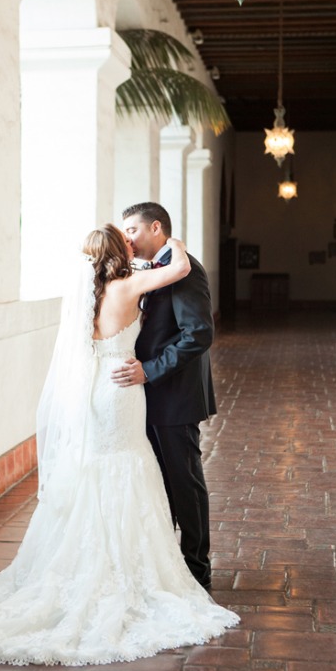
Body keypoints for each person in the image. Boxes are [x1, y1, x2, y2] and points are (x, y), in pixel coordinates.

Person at [0, 224, 238, 666]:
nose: (131, 239)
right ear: (116, 253)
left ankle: (89, 565)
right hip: (122, 390)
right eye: (124, 237)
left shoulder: (94, 293)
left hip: (95, 390)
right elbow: (178, 266)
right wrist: (174, 242)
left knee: (99, 469)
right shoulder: (129, 285)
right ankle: (130, 571)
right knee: (129, 466)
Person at [113, 203, 215, 591]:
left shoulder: (184, 267)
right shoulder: (158, 265)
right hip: (152, 397)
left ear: (156, 227)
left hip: (175, 396)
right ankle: (169, 565)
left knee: (185, 483)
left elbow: (198, 334)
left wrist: (148, 370)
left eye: (133, 230)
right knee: (162, 483)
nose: (128, 238)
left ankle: (197, 571)